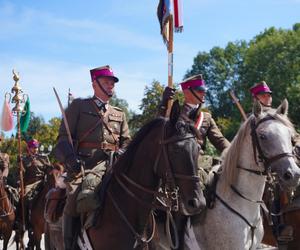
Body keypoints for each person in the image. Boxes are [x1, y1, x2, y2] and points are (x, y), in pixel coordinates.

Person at [53, 65, 131, 250]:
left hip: (114, 164)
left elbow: (127, 142)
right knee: (73, 198)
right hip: (85, 164)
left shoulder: (119, 113)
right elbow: (63, 138)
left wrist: (122, 153)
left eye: (112, 83)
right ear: (94, 84)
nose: (111, 85)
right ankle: (70, 244)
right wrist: (71, 158)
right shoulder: (79, 107)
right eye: (106, 82)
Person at [160, 74, 230, 249]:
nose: (203, 94)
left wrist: (233, 154)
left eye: (204, 90)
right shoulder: (172, 112)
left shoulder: (205, 118)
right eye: (199, 90)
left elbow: (220, 142)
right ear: (187, 92)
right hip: (179, 164)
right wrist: (163, 104)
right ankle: (178, 235)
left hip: (201, 162)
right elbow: (158, 127)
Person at [250, 81, 300, 244]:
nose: (268, 97)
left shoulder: (277, 115)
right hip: (263, 163)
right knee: (277, 186)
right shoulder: (254, 118)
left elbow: (293, 135)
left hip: (284, 156)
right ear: (256, 98)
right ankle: (280, 226)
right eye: (263, 95)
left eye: (269, 94)